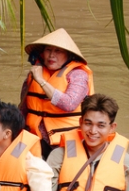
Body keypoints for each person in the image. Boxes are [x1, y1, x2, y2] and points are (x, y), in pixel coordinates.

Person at [21, 29, 94, 159]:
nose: (51, 55)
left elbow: (69, 104)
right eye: (48, 50)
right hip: (35, 138)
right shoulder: (34, 74)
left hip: (66, 142)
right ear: (42, 53)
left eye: (58, 51)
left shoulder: (78, 75)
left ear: (69, 55)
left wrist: (41, 81)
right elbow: (24, 108)